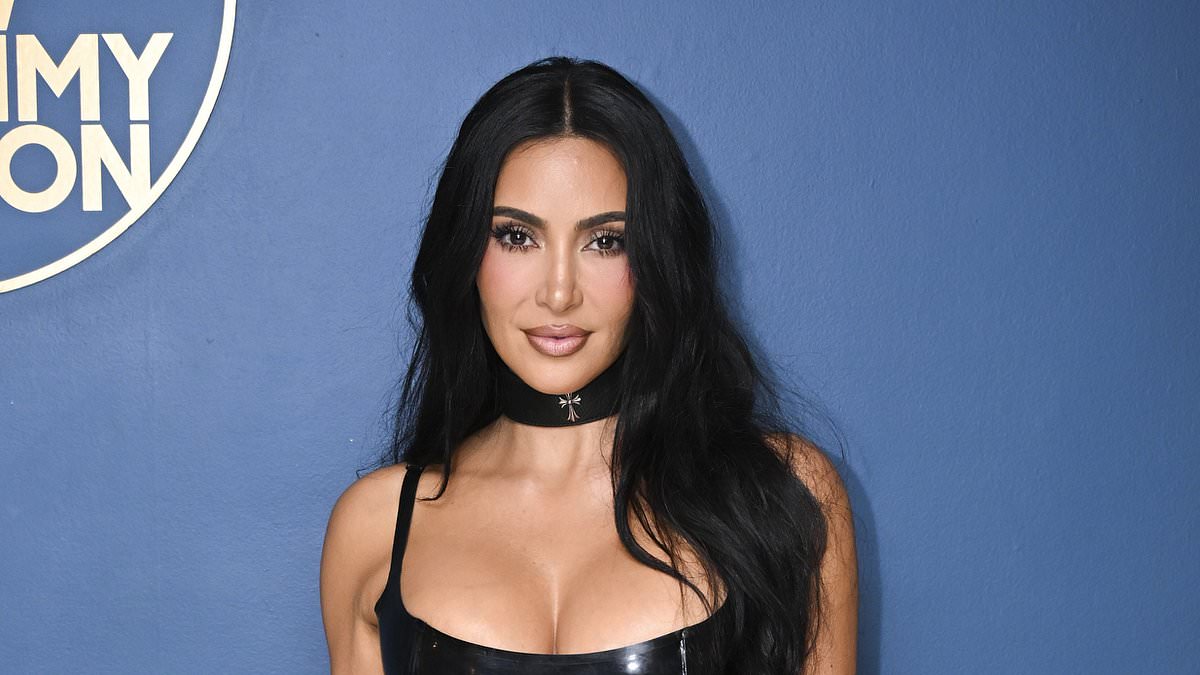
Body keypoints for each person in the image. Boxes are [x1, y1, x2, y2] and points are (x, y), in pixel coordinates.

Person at [320, 56, 857, 674]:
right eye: (516, 236)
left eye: (606, 241)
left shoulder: (784, 495)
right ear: (464, 250)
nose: (559, 293)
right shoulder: (376, 526)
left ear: (657, 258)